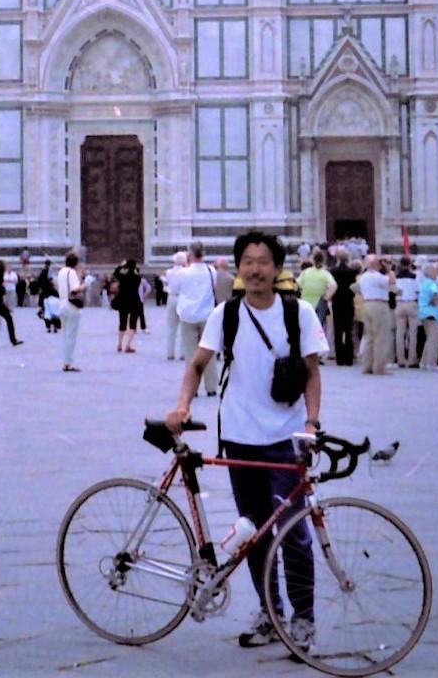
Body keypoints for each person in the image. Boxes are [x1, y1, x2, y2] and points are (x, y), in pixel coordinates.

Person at [166, 231, 327, 650]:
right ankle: (270, 614)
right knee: (254, 532)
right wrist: (182, 406)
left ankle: (303, 619)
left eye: (263, 261)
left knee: (293, 532)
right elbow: (197, 364)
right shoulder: (226, 315)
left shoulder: (299, 313)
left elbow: (312, 373)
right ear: (239, 268)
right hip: (240, 438)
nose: (255, 270)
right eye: (248, 262)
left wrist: (311, 423)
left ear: (277, 268)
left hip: (286, 439)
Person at [172, 241, 219, 397]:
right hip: (207, 315)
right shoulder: (211, 270)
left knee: (190, 353)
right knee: (209, 352)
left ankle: (193, 387)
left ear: (190, 254)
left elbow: (174, 289)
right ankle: (211, 386)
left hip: (188, 315)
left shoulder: (183, 273)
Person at [355, 254, 396, 375]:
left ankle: (367, 365)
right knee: (381, 336)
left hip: (367, 304)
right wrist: (389, 269)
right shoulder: (376, 276)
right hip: (379, 305)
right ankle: (379, 367)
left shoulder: (364, 277)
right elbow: (392, 281)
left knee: (369, 337)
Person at [57, 252, 85, 371]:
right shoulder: (72, 273)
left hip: (62, 303)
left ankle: (65, 361)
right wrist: (85, 284)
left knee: (65, 334)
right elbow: (75, 290)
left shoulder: (61, 272)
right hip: (71, 306)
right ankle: (68, 362)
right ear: (76, 263)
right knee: (71, 335)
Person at [393, 257, 419, 368]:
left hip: (399, 303)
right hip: (411, 303)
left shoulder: (396, 277)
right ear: (409, 264)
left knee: (400, 332)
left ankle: (401, 359)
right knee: (413, 333)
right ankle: (412, 359)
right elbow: (418, 291)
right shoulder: (414, 277)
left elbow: (394, 291)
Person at [418, 263, 438, 370]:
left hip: (424, 313)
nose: (436, 273)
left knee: (429, 339)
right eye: (434, 271)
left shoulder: (424, 283)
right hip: (434, 314)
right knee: (434, 340)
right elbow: (435, 295)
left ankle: (424, 362)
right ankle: (431, 363)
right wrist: (436, 302)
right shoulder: (433, 284)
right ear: (429, 273)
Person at [112, 259, 143, 353]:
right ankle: (128, 345)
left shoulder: (123, 277)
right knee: (133, 323)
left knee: (122, 322)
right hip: (134, 300)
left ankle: (119, 344)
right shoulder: (137, 277)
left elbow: (115, 273)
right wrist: (136, 271)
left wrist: (121, 266)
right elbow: (138, 274)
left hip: (123, 300)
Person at [164, 251, 186, 361]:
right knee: (183, 327)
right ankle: (183, 353)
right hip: (182, 298)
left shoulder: (169, 272)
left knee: (171, 327)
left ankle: (170, 352)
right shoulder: (186, 272)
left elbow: (167, 283)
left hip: (171, 297)